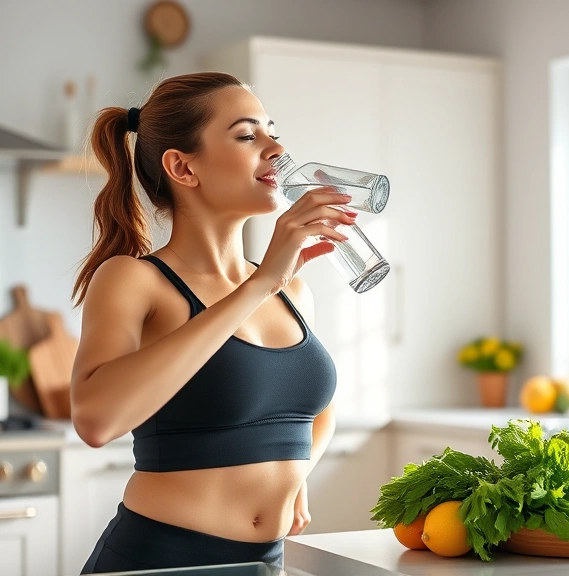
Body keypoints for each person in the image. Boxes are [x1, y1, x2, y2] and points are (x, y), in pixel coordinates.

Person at [69, 72, 355, 573]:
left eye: (272, 130)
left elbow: (316, 413)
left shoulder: (291, 290)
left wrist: (294, 474)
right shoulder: (135, 280)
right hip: (161, 561)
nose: (277, 147)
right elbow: (96, 420)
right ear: (182, 166)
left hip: (265, 563)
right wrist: (258, 284)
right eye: (248, 135)